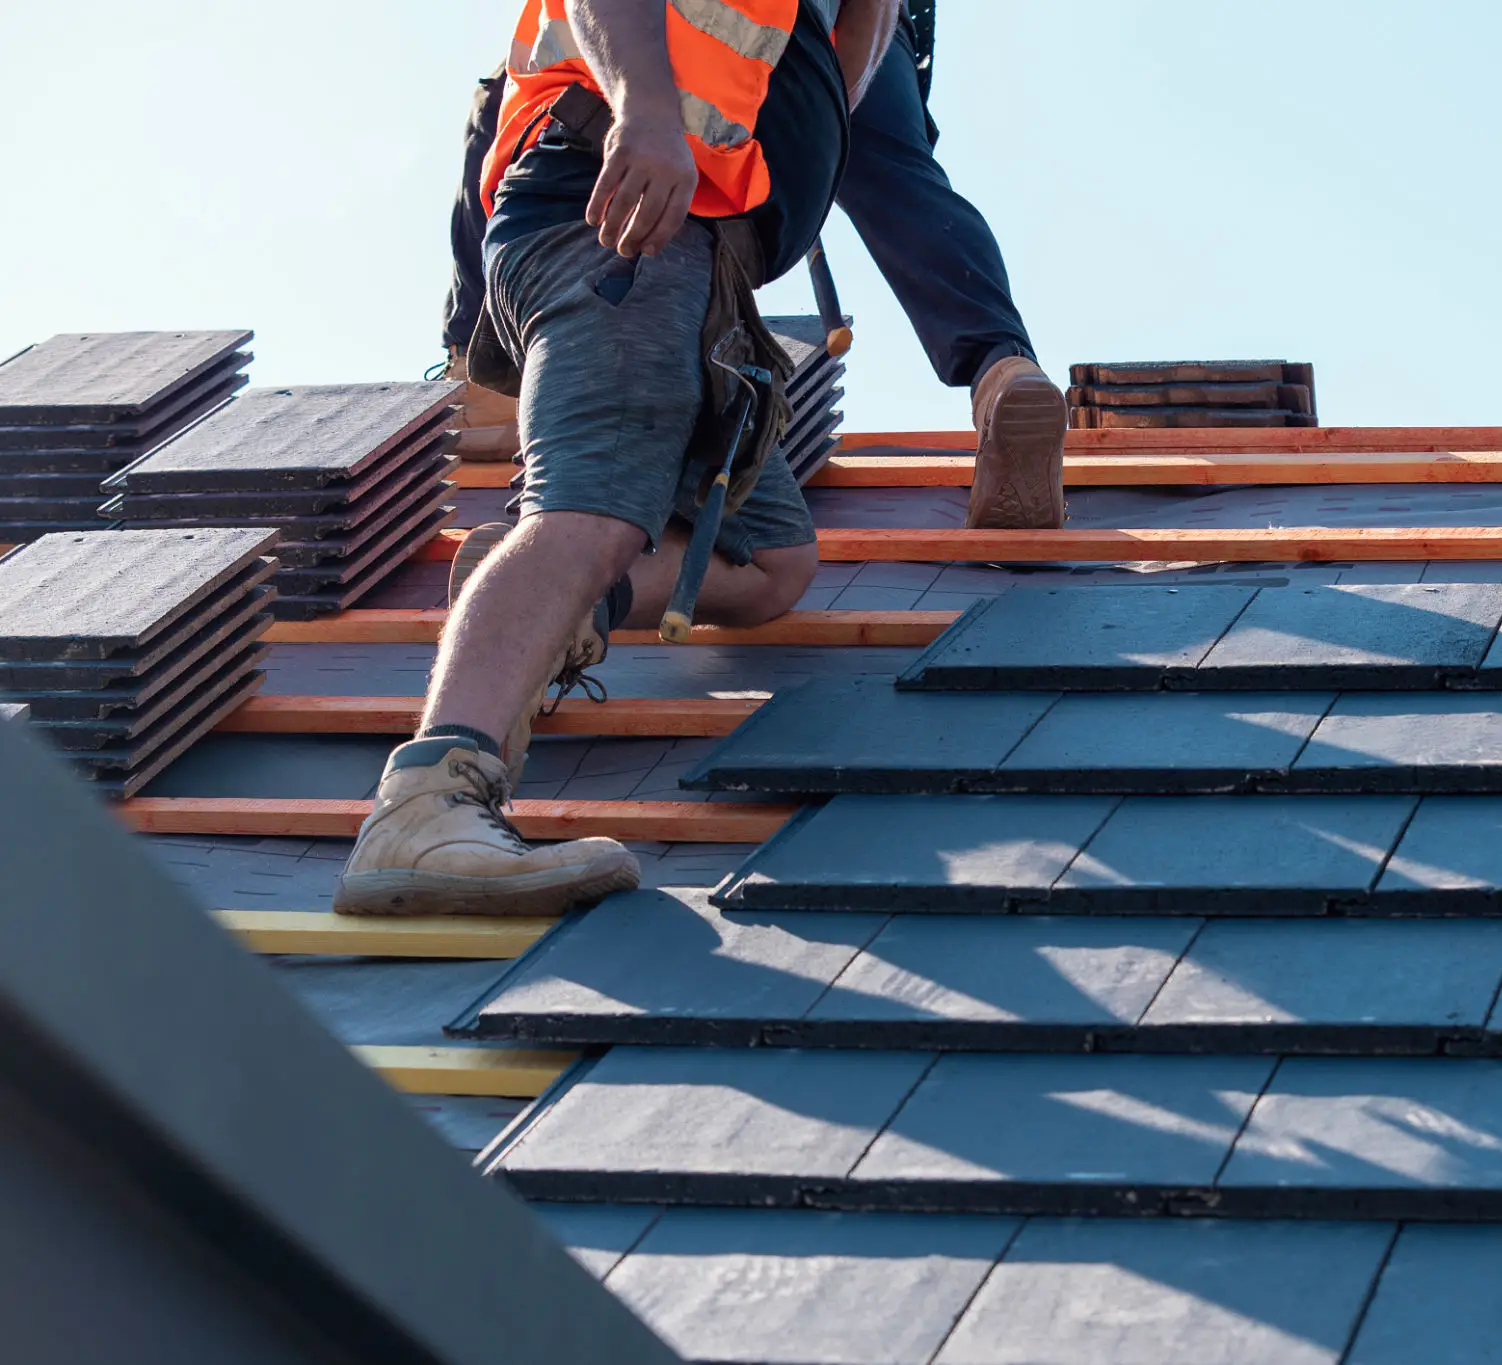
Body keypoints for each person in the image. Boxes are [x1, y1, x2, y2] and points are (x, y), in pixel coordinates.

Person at [336, 0, 897, 918]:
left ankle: (561, 601)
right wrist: (643, 108)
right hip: (615, 204)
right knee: (591, 515)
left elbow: (842, 53)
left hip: (697, 259)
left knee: (770, 562)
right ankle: (426, 804)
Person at [437, 0, 1067, 528]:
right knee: (900, 177)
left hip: (712, 24)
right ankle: (1001, 371)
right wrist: (817, 141)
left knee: (508, 107)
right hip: (842, 34)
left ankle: (478, 380)